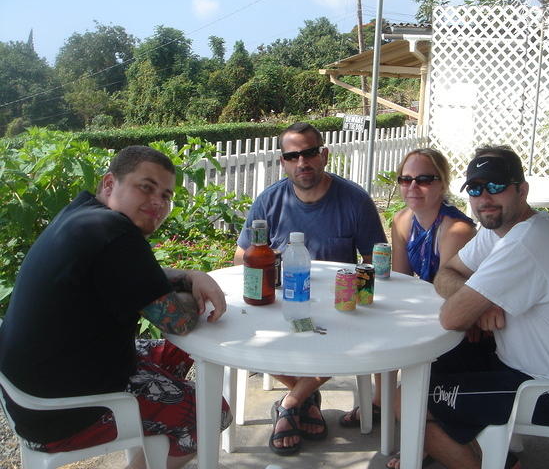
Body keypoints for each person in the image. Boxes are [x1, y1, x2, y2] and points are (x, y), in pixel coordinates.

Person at [0, 146, 231, 469]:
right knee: (211, 412)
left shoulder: (83, 215)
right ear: (110, 184)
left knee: (175, 356)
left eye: (166, 195)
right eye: (146, 187)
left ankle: (153, 449)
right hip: (61, 414)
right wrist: (193, 294)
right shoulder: (117, 233)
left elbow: (137, 277)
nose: (158, 203)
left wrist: (190, 275)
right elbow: (178, 323)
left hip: (28, 395)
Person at [386, 146, 549, 469]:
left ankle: (485, 461)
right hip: (523, 366)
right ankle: (496, 457)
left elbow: (450, 317)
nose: (485, 197)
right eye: (475, 189)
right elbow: (446, 275)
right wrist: (477, 300)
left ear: (522, 190)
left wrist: (471, 302)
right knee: (429, 368)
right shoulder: (501, 230)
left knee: (409, 401)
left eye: (497, 186)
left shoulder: (527, 242)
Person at [234, 122, 387, 455]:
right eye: (292, 156)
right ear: (283, 162)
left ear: (324, 155)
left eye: (309, 152)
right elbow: (240, 256)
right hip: (280, 303)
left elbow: (372, 260)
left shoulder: (355, 201)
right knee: (242, 336)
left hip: (336, 309)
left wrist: (359, 299)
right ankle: (306, 396)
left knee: (353, 339)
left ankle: (291, 401)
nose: (302, 162)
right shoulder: (269, 201)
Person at [339, 148, 476, 428]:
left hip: (459, 316)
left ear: (442, 184)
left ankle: (423, 433)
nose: (413, 186)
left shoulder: (456, 230)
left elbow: (447, 289)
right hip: (425, 305)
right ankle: (381, 400)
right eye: (405, 179)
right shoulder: (402, 220)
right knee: (377, 323)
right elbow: (400, 279)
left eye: (424, 179)